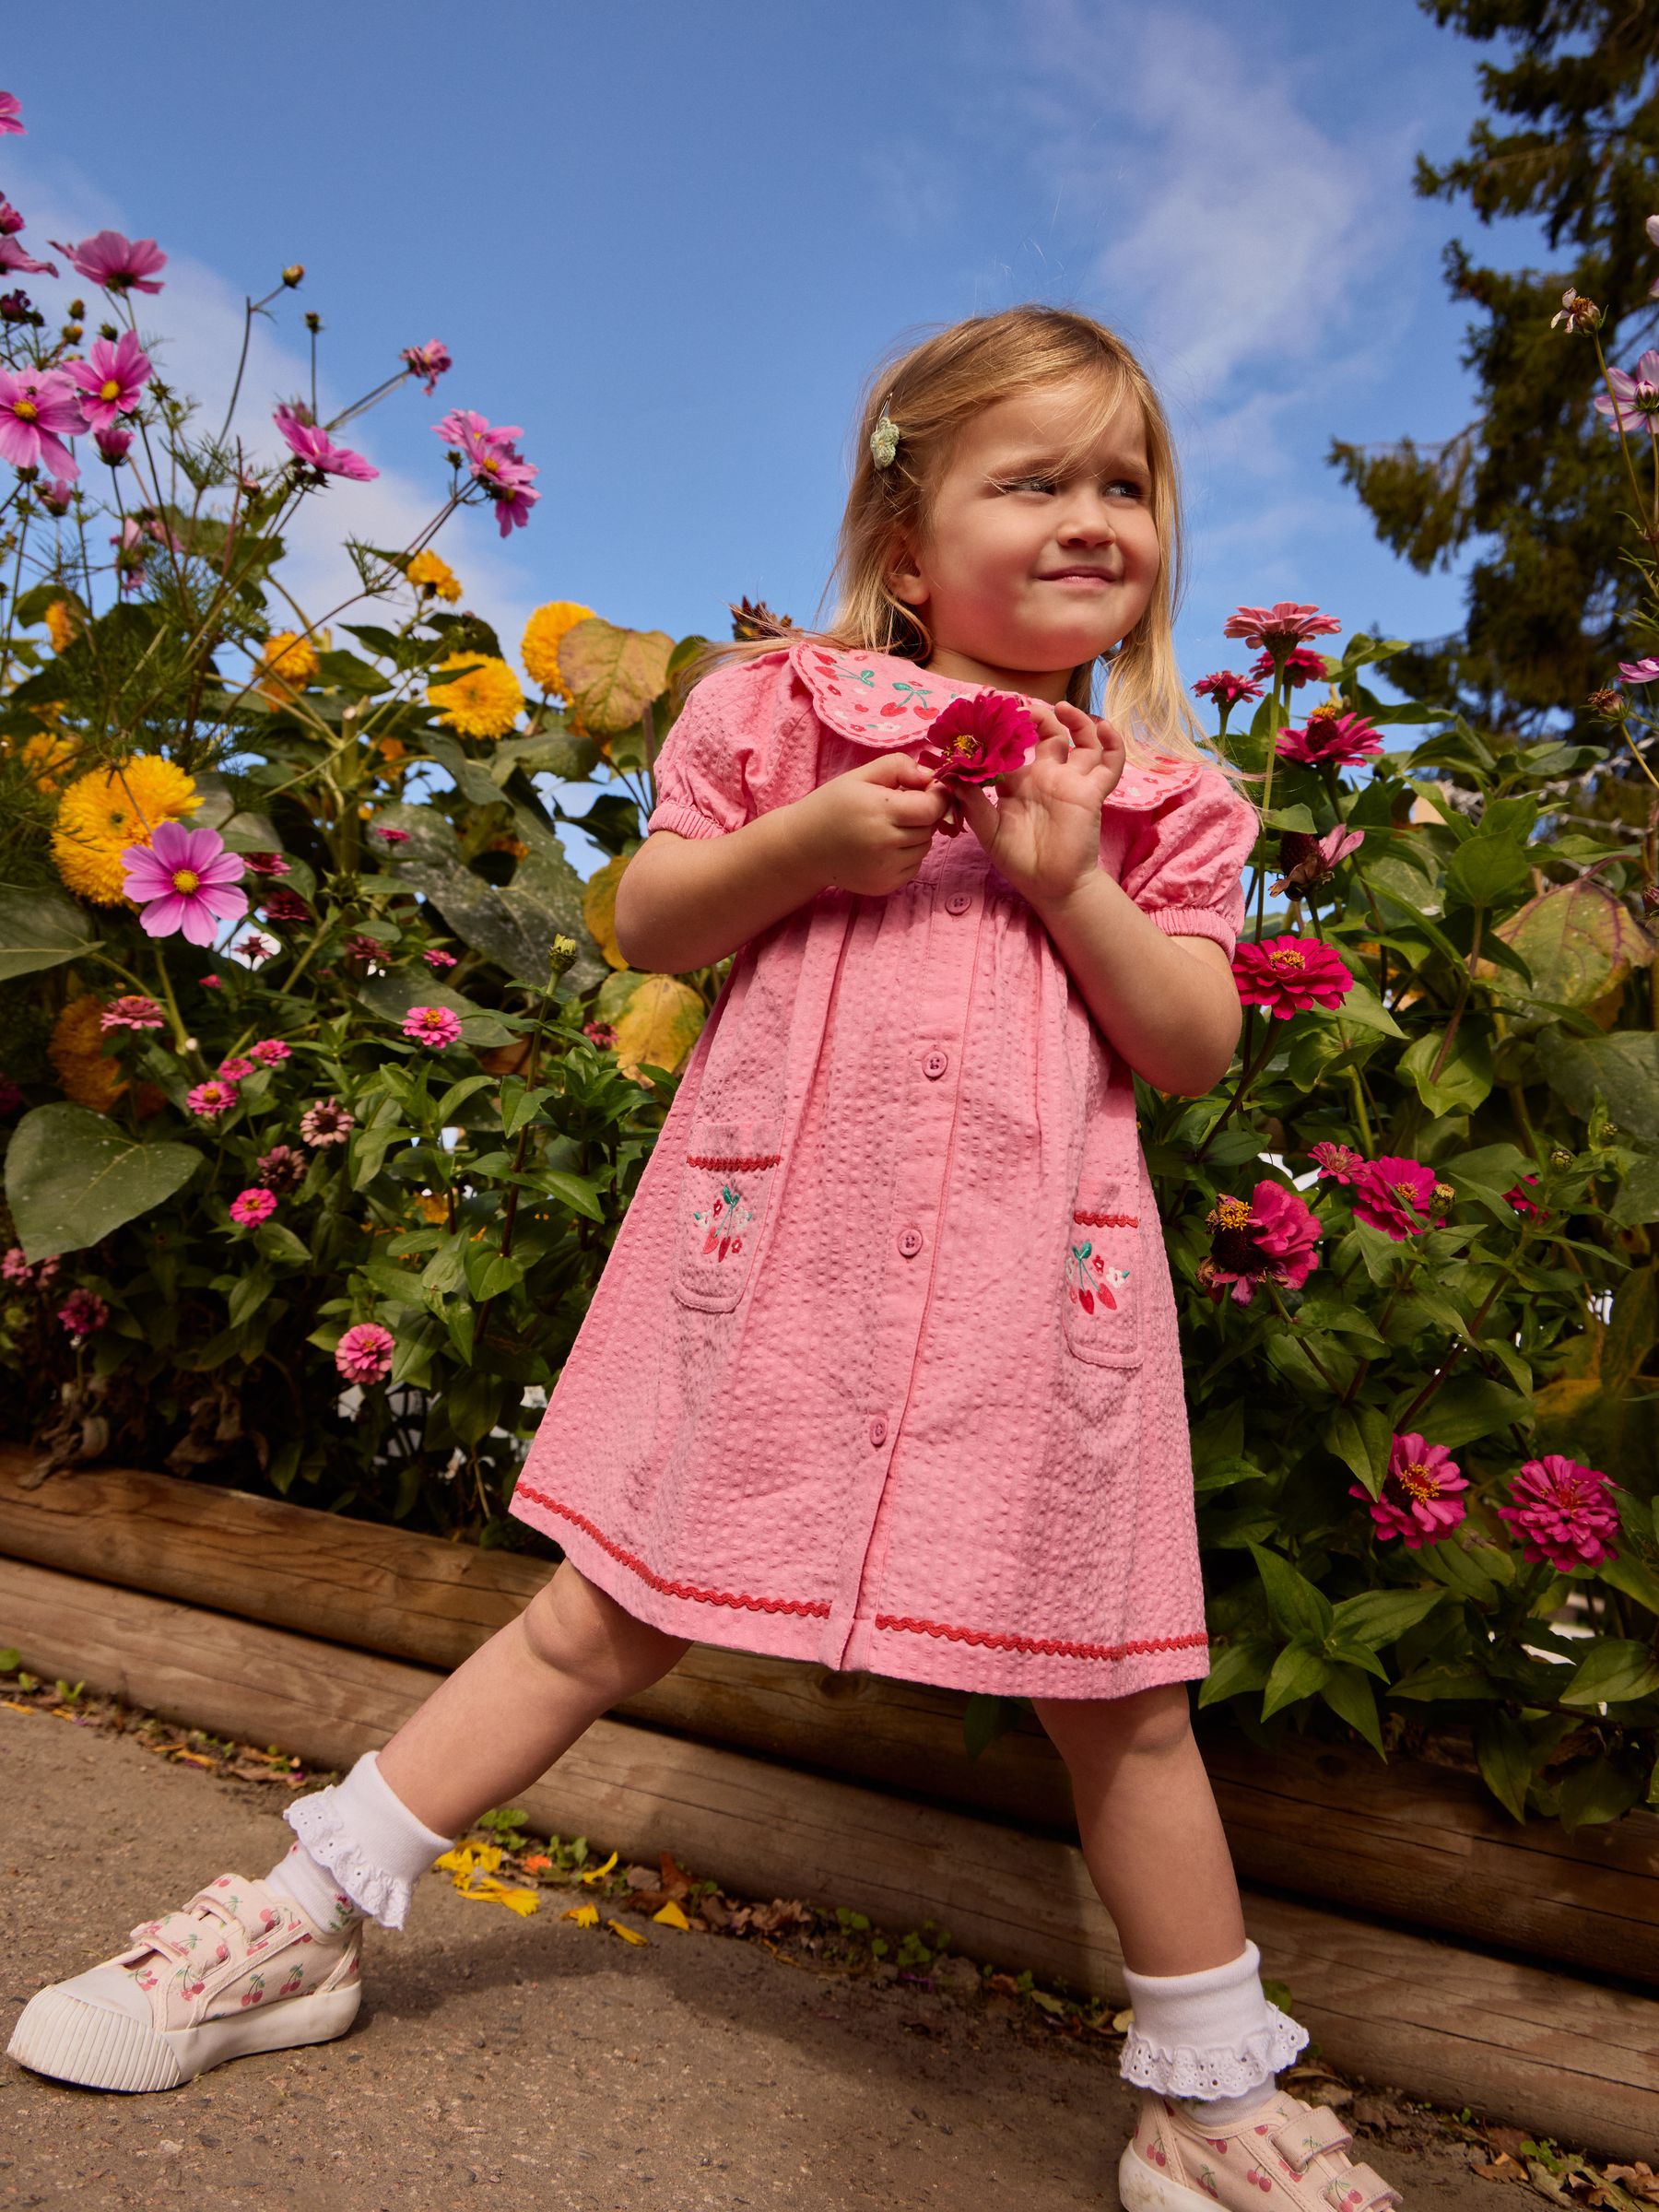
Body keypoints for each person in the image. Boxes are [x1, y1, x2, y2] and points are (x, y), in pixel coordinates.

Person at [9, 304, 1404, 2212]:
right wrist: (816, 844)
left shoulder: (1165, 799)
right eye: (1038, 478)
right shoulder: (776, 717)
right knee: (604, 1607)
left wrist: (1068, 876)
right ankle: (307, 1912)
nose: (1095, 517)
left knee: (1119, 1683)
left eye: (1126, 483)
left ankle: (1209, 2093)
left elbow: (1190, 1045)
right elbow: (656, 920)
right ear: (909, 549)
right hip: (779, 1267)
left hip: (1035, 1305)